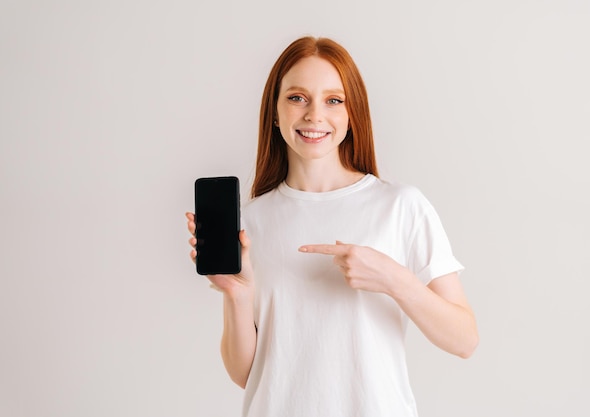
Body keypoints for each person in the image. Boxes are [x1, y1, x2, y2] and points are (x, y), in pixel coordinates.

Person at [186, 36, 478, 417]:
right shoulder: (249, 223)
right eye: (297, 97)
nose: (314, 115)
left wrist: (393, 278)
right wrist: (238, 295)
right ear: (274, 112)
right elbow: (247, 375)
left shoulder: (400, 206)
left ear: (352, 113)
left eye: (333, 100)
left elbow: (464, 340)